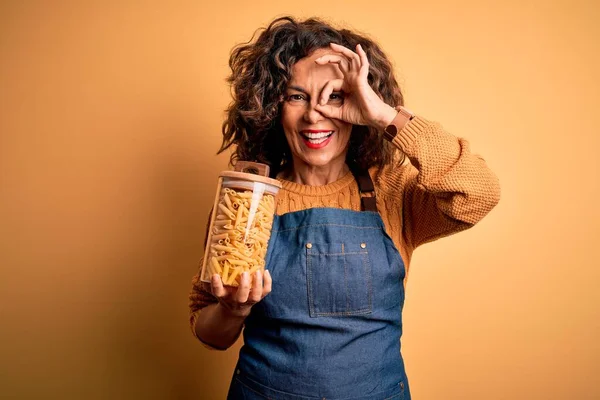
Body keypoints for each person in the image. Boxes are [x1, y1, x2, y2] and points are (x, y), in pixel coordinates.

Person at [188, 16, 500, 400]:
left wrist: (386, 115)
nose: (314, 114)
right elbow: (209, 332)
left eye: (335, 96)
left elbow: (479, 193)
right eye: (296, 95)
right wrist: (232, 310)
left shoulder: (390, 190)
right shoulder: (246, 201)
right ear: (273, 106)